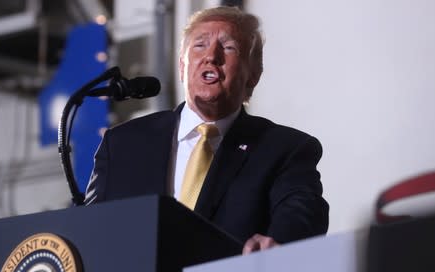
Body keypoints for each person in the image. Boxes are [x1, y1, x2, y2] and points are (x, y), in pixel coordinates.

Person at [84, 6, 329, 254]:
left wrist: (280, 245)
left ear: (253, 75)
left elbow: (301, 213)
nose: (211, 56)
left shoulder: (284, 149)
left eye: (229, 47)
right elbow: (88, 231)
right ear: (182, 66)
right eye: (200, 45)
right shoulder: (124, 143)